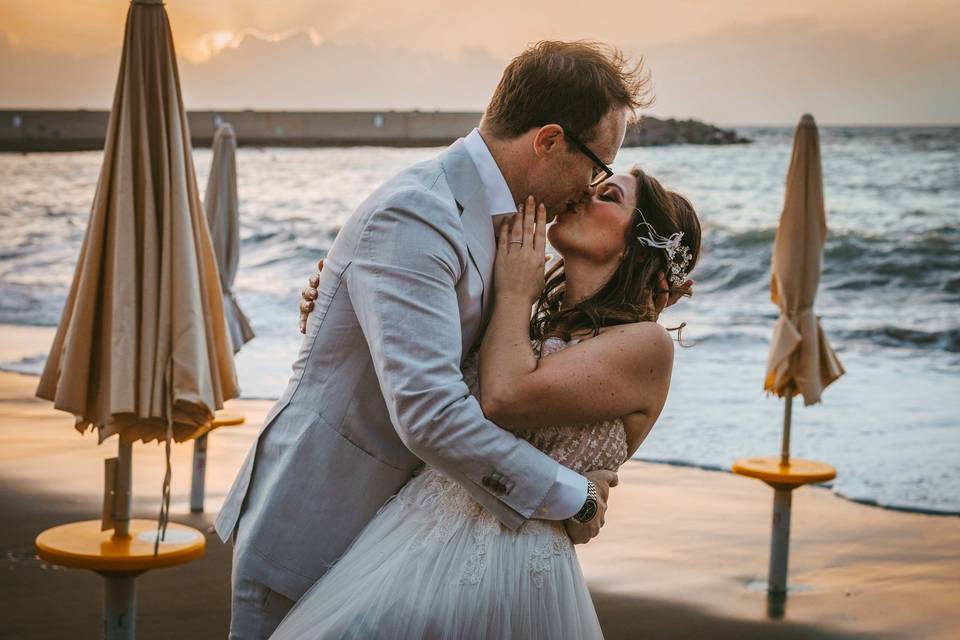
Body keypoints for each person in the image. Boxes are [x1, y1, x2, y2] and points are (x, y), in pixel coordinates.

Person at [216, 40, 651, 639]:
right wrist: (569, 494)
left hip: (404, 550)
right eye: (596, 166)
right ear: (549, 141)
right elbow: (430, 412)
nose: (588, 189)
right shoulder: (417, 214)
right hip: (320, 526)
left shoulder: (516, 229)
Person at [275, 169, 701, 638]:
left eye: (608, 196)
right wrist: (354, 296)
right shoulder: (534, 324)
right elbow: (419, 365)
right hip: (411, 534)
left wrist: (516, 291)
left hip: (506, 569)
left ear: (639, 245)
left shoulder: (647, 345)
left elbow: (504, 396)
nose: (583, 192)